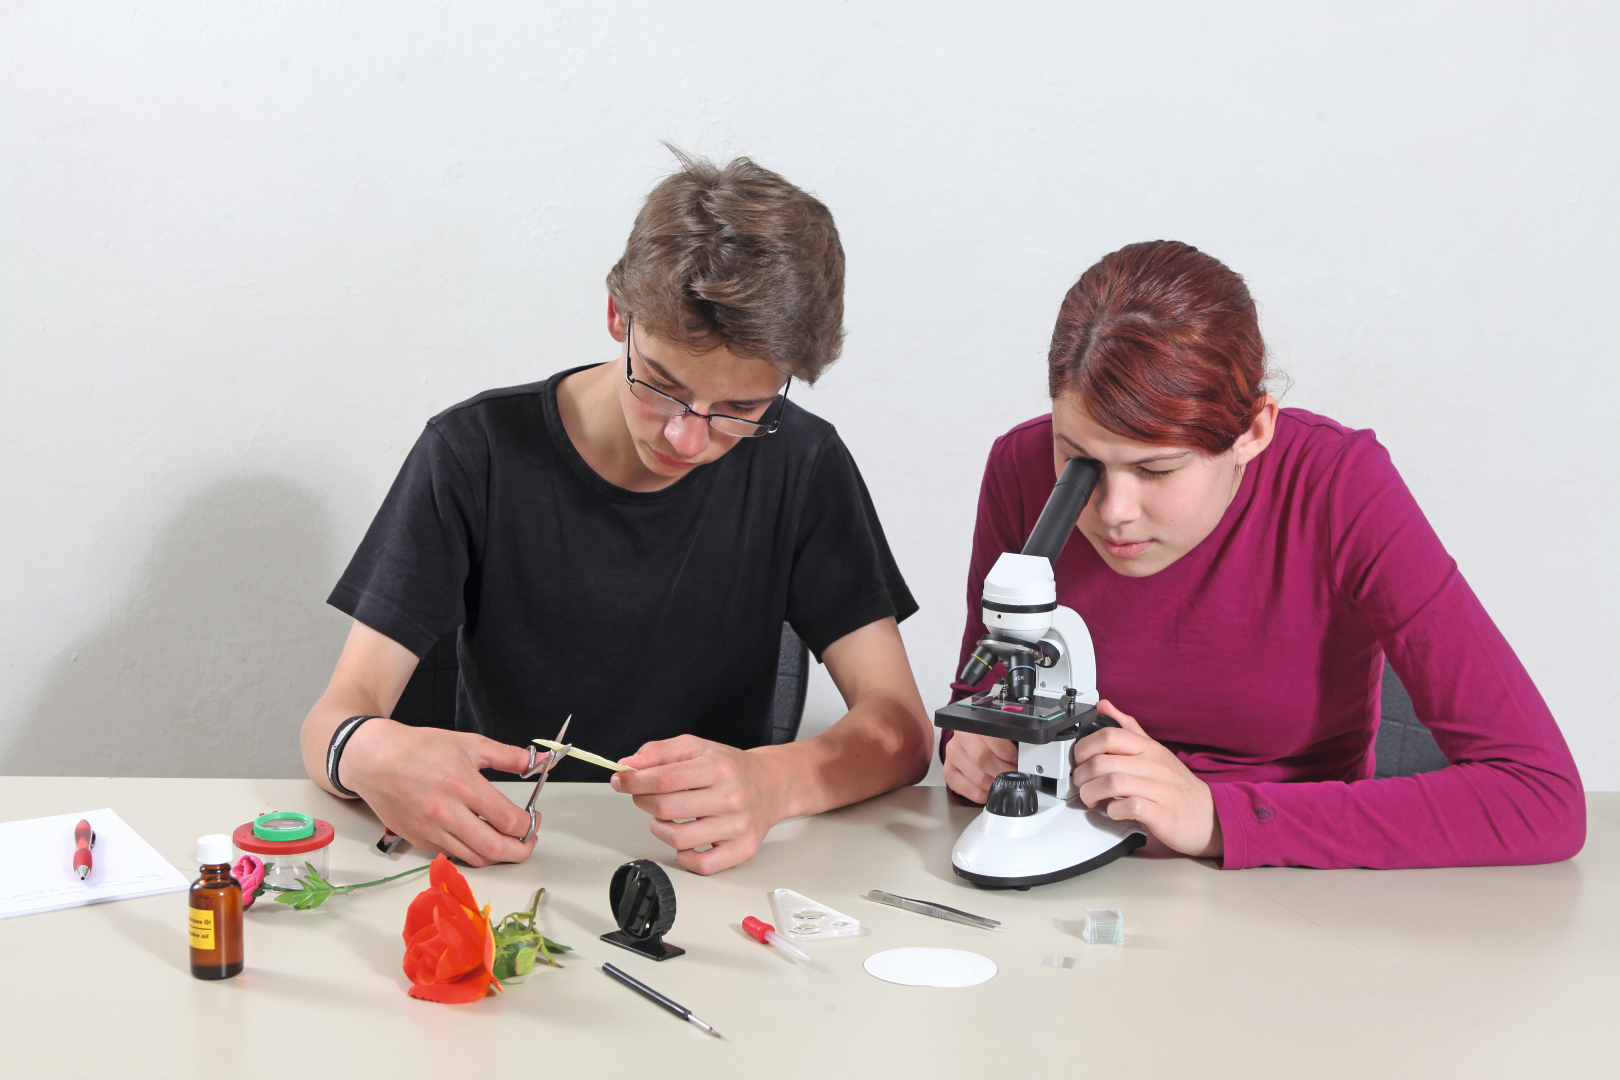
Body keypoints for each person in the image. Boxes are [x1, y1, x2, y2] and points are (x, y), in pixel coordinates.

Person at [299, 150, 932, 873]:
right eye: (661, 386)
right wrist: (368, 749)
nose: (688, 437)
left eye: (740, 410)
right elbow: (332, 718)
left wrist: (773, 782)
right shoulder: (473, 454)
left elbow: (903, 730)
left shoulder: (801, 464)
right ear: (616, 316)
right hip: (503, 858)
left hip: (708, 872)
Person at [942, 240, 1584, 869]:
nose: (1113, 512)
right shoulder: (1020, 467)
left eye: (1159, 469)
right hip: (1083, 868)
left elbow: (1539, 797)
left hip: (1285, 881)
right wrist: (973, 752)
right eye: (1079, 464)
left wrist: (1218, 818)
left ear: (1253, 431)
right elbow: (980, 692)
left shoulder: (1337, 485)